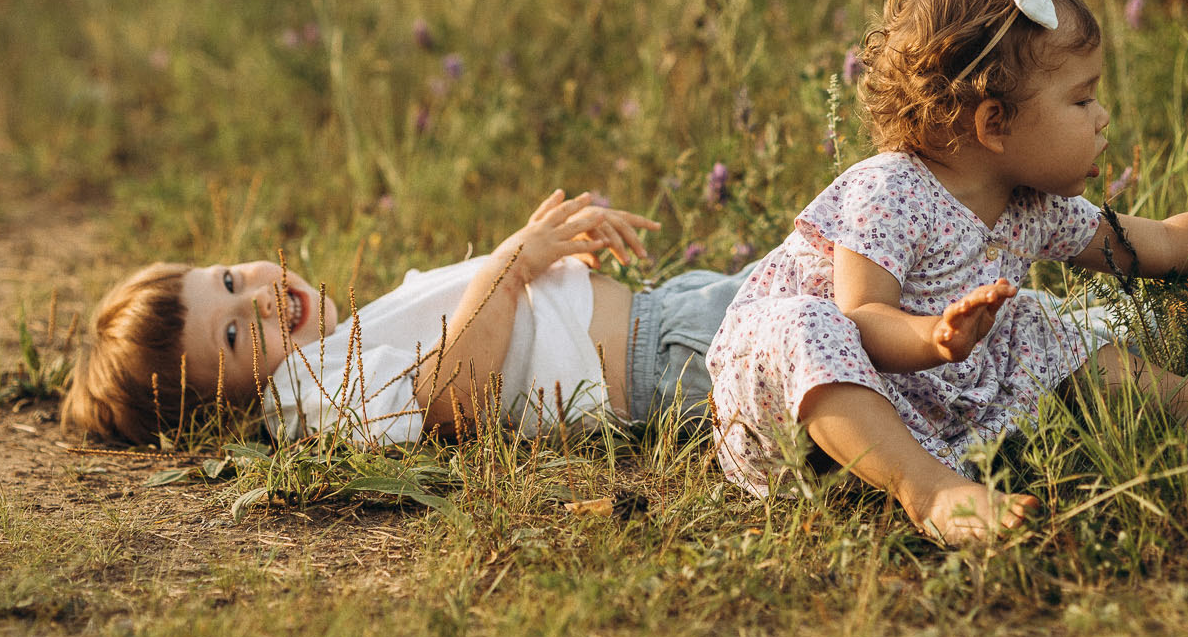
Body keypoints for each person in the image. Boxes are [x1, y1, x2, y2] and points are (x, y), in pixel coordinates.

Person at [706, 0, 1188, 544]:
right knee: (808, 323)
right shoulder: (889, 190)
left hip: (918, 397)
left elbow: (1158, 244)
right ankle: (931, 492)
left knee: (1038, 321)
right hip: (798, 411)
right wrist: (935, 337)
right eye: (1082, 100)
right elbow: (860, 318)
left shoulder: (1034, 207)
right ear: (994, 123)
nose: (1103, 119)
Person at [63, 189, 762, 445]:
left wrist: (547, 248)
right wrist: (510, 266)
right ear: (222, 411)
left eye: (227, 279)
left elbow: (489, 331)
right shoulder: (304, 395)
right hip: (669, 365)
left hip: (670, 313)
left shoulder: (337, 348)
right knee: (848, 321)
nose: (258, 296)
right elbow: (450, 400)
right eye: (235, 332)